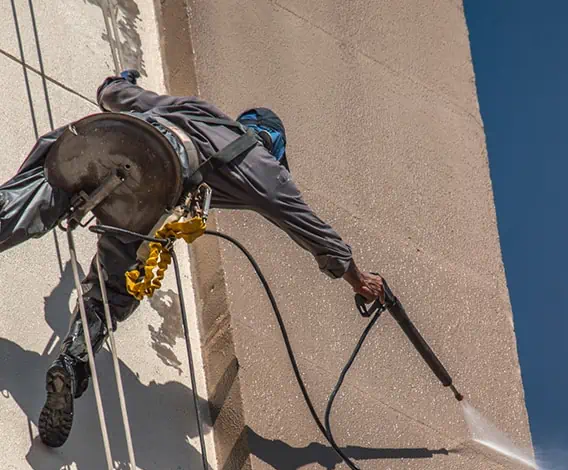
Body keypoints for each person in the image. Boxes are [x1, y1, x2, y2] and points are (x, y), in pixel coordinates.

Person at [0, 70, 385, 448]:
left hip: (110, 140)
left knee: (33, 197)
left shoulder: (195, 109)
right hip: (151, 187)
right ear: (274, 148)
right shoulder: (263, 166)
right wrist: (356, 278)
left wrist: (121, 80)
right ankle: (70, 364)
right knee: (112, 291)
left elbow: (115, 94)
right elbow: (308, 227)